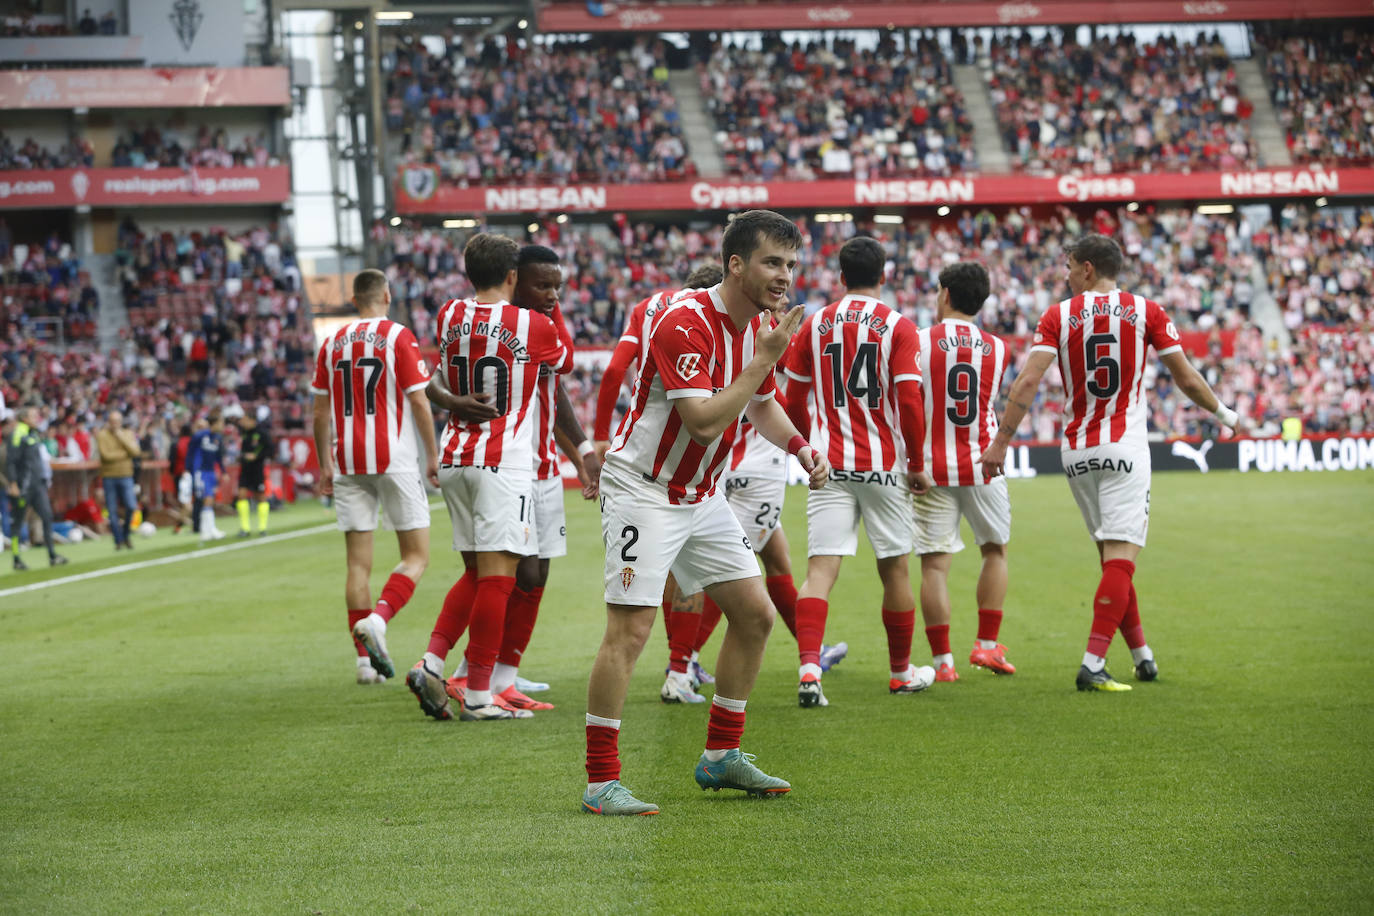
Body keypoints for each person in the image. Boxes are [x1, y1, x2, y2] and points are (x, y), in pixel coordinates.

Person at [582, 209, 829, 816]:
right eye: (772, 263)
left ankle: (721, 757)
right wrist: (763, 360)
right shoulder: (682, 321)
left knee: (755, 616)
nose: (784, 277)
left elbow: (761, 406)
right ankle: (600, 781)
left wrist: (801, 447)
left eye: (791, 265)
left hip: (702, 493)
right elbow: (703, 421)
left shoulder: (761, 327)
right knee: (630, 631)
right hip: (645, 489)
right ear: (736, 264)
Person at [979, 234, 1243, 691]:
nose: (1064, 275)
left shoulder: (1058, 315)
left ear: (1087, 269)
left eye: (1068, 266)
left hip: (1077, 451)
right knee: (1121, 560)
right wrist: (1225, 414)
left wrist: (1001, 442)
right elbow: (1186, 378)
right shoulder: (1147, 311)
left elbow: (1026, 383)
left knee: (1112, 560)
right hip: (1125, 447)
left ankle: (1143, 657)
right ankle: (1093, 664)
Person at [404, 233, 574, 721]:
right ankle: (479, 694)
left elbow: (435, 377)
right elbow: (562, 360)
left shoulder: (448, 316)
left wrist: (455, 402)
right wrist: (552, 307)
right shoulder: (532, 325)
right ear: (514, 276)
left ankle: (433, 661)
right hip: (503, 461)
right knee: (499, 580)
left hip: (456, 455)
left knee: (476, 573)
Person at [782, 235, 935, 708]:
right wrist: (915, 462)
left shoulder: (814, 324)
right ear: (884, 275)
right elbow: (909, 400)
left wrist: (807, 453)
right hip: (883, 466)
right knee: (895, 570)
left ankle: (810, 670)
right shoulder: (899, 326)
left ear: (841, 277)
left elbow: (793, 400)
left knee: (820, 570)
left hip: (829, 463)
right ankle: (899, 673)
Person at [311, 268, 440, 686]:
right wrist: (432, 455)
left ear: (354, 299)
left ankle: (364, 665)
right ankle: (379, 620)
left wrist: (324, 464)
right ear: (386, 294)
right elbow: (419, 403)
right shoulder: (398, 336)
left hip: (347, 460)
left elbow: (319, 411)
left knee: (356, 565)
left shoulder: (330, 343)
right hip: (394, 458)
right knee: (417, 555)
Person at [913, 262, 1015, 682]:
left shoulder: (918, 342)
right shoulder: (998, 347)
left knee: (935, 566)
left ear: (947, 295)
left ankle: (943, 664)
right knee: (994, 550)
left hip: (931, 467)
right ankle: (986, 647)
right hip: (982, 462)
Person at [7, 405, 68, 570]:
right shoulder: (17, 434)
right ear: (24, 418)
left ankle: (52, 555)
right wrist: (13, 484)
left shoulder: (33, 433)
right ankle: (16, 558)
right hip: (23, 486)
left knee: (47, 517)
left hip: (38, 485)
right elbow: (11, 461)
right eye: (34, 416)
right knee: (18, 522)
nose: (37, 419)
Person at [96, 409, 142, 551]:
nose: (115, 424)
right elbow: (106, 456)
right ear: (108, 422)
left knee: (131, 506)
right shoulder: (102, 435)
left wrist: (120, 437)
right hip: (109, 476)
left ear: (121, 422)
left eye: (117, 421)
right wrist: (124, 453)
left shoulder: (127, 434)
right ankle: (118, 540)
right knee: (111, 509)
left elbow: (135, 452)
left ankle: (126, 534)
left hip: (126, 475)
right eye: (112, 421)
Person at [186, 411, 227, 543]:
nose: (223, 425)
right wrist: (189, 470)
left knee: (210, 499)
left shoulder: (218, 438)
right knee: (206, 499)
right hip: (200, 471)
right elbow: (190, 454)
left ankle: (210, 529)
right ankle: (205, 531)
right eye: (221, 423)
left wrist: (223, 471)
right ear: (214, 423)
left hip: (210, 471)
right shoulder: (200, 436)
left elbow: (218, 457)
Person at [235, 409, 273, 537]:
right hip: (245, 469)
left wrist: (256, 456)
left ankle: (262, 528)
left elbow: (270, 450)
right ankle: (245, 528)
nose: (242, 422)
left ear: (252, 420)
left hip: (257, 469)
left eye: (245, 420)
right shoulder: (244, 433)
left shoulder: (262, 433)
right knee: (241, 495)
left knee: (260, 497)